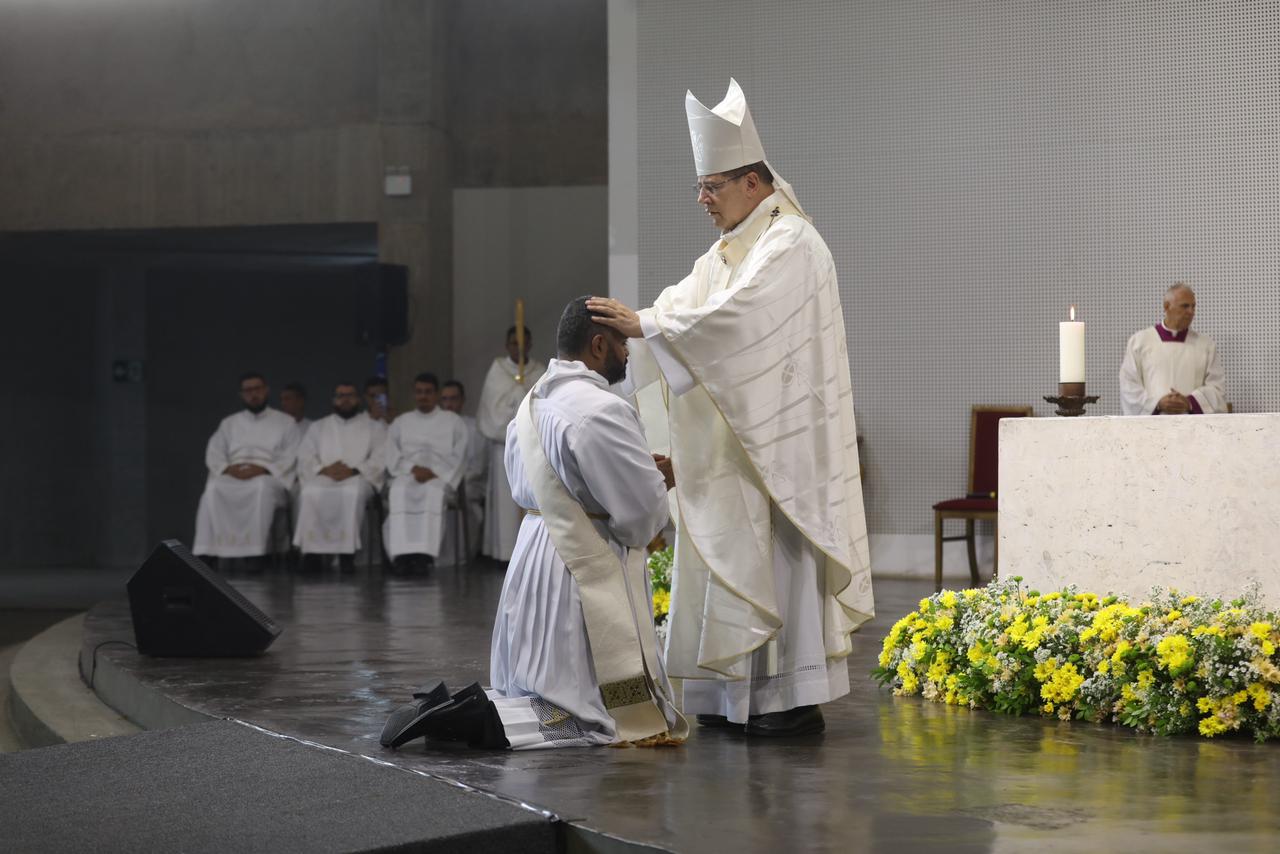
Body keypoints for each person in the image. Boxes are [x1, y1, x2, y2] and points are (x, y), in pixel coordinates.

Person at [587, 78, 874, 737]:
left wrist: (649, 326)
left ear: (752, 181)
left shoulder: (791, 244)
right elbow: (685, 309)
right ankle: (724, 697)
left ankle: (784, 700)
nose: (702, 200)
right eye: (701, 186)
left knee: (773, 564)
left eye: (712, 187)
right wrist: (644, 326)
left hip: (777, 447)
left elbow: (740, 323)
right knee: (722, 558)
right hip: (729, 447)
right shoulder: (727, 250)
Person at [383, 298, 686, 750]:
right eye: (625, 345)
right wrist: (660, 482)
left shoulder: (531, 403)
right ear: (600, 344)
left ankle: (449, 706)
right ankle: (470, 718)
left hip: (534, 553)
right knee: (591, 713)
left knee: (538, 684)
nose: (628, 355)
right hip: (584, 564)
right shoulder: (604, 409)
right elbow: (639, 517)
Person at [193, 372, 301, 564]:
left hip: (268, 474)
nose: (253, 394)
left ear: (266, 391)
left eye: (257, 389)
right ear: (241, 395)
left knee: (260, 488)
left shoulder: (286, 422)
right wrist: (228, 469)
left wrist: (263, 469)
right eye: (248, 391)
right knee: (213, 489)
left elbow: (291, 454)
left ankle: (254, 554)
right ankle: (206, 554)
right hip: (234, 471)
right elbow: (214, 452)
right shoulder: (229, 423)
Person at [292, 381, 388, 570]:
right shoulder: (318, 426)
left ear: (358, 399)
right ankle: (312, 555)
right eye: (340, 396)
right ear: (333, 400)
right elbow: (305, 456)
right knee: (310, 492)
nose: (345, 400)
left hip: (358, 477)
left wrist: (354, 470)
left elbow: (381, 456)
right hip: (324, 475)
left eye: (350, 395)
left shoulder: (374, 427)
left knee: (352, 493)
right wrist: (323, 469)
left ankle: (347, 555)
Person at [383, 373, 469, 572]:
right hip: (408, 474)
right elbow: (392, 454)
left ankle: (424, 556)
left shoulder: (453, 421)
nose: (423, 396)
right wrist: (412, 469)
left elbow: (460, 454)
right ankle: (402, 557)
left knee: (432, 493)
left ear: (437, 394)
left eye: (428, 392)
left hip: (439, 477)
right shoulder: (401, 422)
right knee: (399, 491)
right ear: (414, 394)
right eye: (419, 392)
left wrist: (435, 472)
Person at [476, 326, 547, 561]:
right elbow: (492, 409)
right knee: (506, 503)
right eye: (514, 344)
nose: (519, 348)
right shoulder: (498, 370)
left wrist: (523, 394)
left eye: (523, 343)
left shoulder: (540, 371)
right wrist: (516, 394)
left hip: (534, 447)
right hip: (504, 445)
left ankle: (532, 554)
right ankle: (505, 554)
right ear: (507, 346)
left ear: (530, 344)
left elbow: (546, 402)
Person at [1119, 283, 1227, 415]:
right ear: (1166, 306)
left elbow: (1217, 389)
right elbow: (1129, 385)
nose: (1191, 312)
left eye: (1193, 306)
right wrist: (1158, 403)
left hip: (1193, 427)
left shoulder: (1206, 345)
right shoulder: (1139, 342)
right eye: (1185, 306)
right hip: (1151, 428)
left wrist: (1189, 402)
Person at [437, 380, 487, 564]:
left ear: (463, 400)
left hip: (468, 482)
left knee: (461, 491)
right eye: (445, 399)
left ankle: (462, 554)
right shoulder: (436, 428)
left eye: (453, 399)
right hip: (439, 481)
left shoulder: (475, 428)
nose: (449, 404)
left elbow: (478, 467)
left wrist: (454, 480)